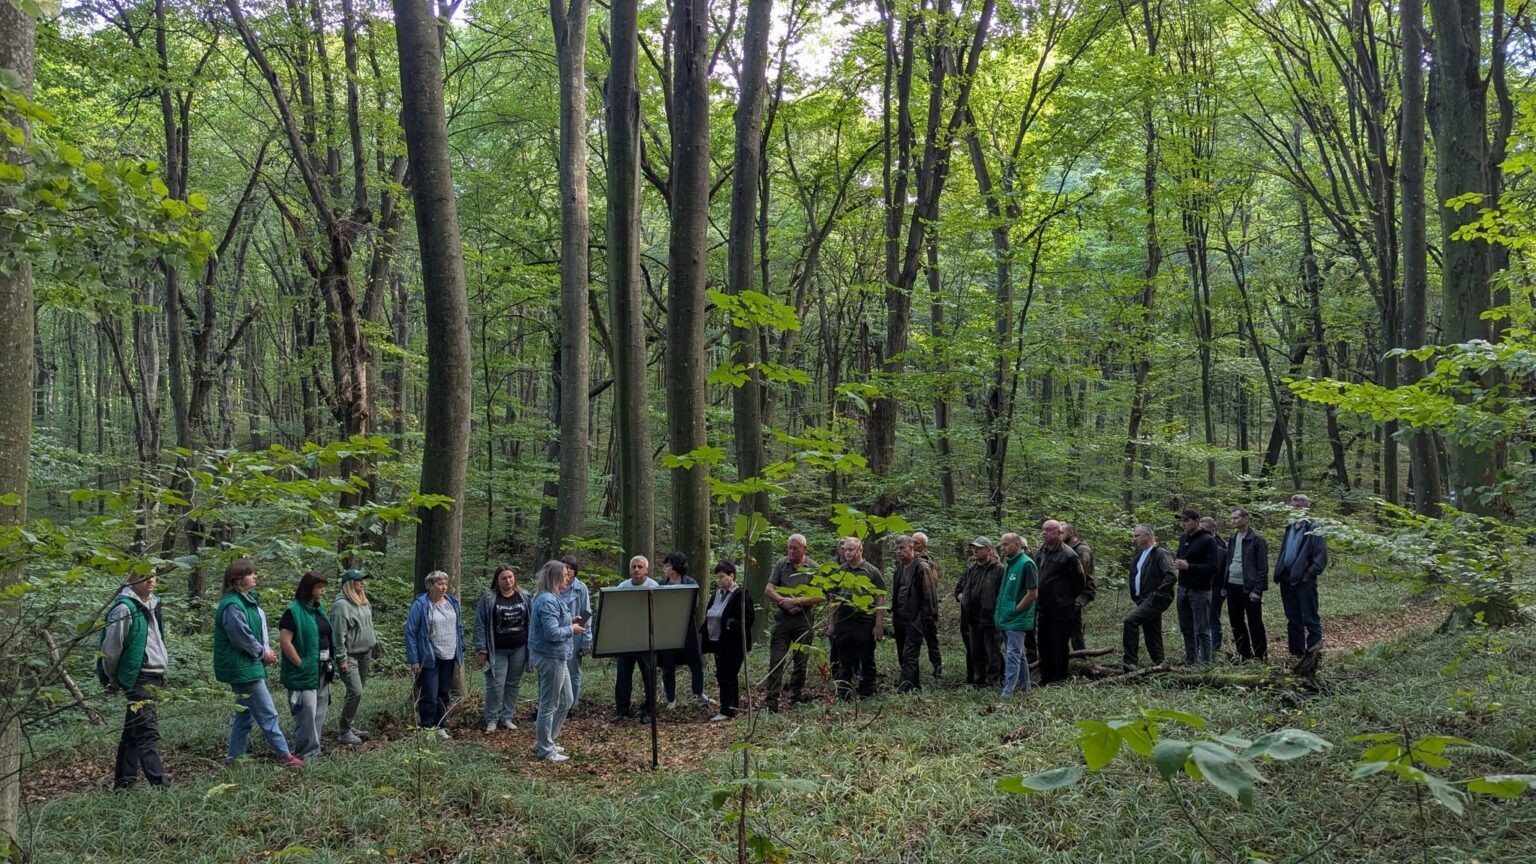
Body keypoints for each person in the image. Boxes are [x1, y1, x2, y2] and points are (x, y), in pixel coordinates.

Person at [213, 559, 302, 767]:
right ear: (237, 580)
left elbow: (256, 632)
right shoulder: (232, 606)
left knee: (245, 715)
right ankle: (285, 756)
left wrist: (264, 651)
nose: (255, 576)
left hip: (248, 665)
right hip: (242, 667)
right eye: (250, 573)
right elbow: (241, 636)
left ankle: (233, 760)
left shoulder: (248, 601)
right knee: (268, 712)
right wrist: (263, 653)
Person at [100, 568, 169, 789]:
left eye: (153, 575)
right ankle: (161, 787)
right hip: (139, 677)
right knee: (147, 732)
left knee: (133, 731)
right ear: (130, 578)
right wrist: (112, 677)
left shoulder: (153, 605)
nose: (150, 580)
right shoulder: (124, 609)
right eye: (144, 575)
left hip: (154, 674)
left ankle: (123, 784)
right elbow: (111, 649)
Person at [529, 559, 585, 762]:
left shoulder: (554, 597)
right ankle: (544, 749)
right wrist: (572, 629)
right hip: (550, 657)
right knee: (549, 704)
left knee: (567, 700)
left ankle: (549, 741)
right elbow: (552, 633)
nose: (567, 578)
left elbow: (555, 623)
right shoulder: (547, 600)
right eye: (564, 575)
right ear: (554, 578)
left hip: (560, 656)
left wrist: (570, 622)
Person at [279, 571, 333, 761]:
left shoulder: (319, 609)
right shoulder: (293, 611)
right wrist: (300, 664)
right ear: (308, 588)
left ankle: (314, 750)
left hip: (322, 668)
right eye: (319, 587)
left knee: (320, 709)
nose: (323, 591)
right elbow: (286, 642)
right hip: (303, 671)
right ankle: (304, 753)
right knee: (306, 711)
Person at [763, 534, 819, 712]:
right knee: (776, 659)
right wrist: (783, 601)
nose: (791, 551)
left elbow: (819, 595)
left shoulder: (813, 567)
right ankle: (771, 702)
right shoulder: (782, 564)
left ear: (804, 548)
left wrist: (797, 602)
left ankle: (795, 698)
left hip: (804, 619)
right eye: (789, 547)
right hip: (783, 620)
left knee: (800, 661)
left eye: (795, 548)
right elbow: (769, 589)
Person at [406, 571, 463, 737]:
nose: (443, 587)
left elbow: (458, 626)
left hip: (449, 654)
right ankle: (427, 727)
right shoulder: (421, 605)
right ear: (430, 586)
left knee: (444, 692)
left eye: (445, 583)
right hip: (429, 656)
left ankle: (441, 726)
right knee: (429, 693)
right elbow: (410, 631)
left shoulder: (452, 602)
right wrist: (414, 659)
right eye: (439, 584)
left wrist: (461, 646)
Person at [474, 564, 530, 733]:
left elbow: (532, 621)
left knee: (513, 684)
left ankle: (507, 717)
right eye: (504, 578)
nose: (508, 581)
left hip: (519, 648)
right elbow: (480, 625)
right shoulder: (489, 598)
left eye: (510, 577)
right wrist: (481, 649)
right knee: (495, 685)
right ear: (497, 581)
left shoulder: (524, 596)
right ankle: (491, 718)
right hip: (496, 649)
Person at [829, 537, 885, 700]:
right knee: (844, 659)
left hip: (865, 620)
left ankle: (867, 692)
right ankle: (843, 693)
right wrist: (831, 623)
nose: (847, 552)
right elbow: (832, 598)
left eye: (851, 549)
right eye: (845, 549)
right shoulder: (840, 572)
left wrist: (878, 624)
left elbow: (880, 598)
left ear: (860, 550)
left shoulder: (872, 571)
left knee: (866, 658)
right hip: (844, 620)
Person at [1034, 521, 1088, 684]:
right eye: (1043, 530)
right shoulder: (1041, 551)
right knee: (1043, 643)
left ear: (1059, 533)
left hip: (1062, 608)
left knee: (1059, 644)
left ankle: (1059, 679)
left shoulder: (1068, 554)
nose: (1045, 533)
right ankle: (1046, 676)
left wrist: (1064, 597)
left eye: (1049, 530)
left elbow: (1079, 581)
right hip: (1044, 607)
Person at [700, 560, 755, 720]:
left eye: (722, 577)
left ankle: (726, 711)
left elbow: (748, 619)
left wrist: (730, 624)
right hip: (718, 642)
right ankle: (731, 706)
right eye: (717, 577)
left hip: (734, 644)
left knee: (728, 675)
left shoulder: (741, 595)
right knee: (722, 674)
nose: (719, 580)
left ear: (731, 576)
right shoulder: (716, 594)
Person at [1274, 494, 1327, 657]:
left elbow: (1320, 557)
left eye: (1297, 506)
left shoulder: (1314, 528)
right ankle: (1296, 653)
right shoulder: (1290, 527)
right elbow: (1285, 551)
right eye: (1293, 505)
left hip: (1304, 580)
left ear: (1306, 508)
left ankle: (1313, 653)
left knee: (1310, 617)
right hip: (1286, 578)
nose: (1294, 508)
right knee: (1292, 617)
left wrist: (1308, 575)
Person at [657, 551, 711, 709]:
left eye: (667, 566)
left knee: (697, 663)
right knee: (668, 666)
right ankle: (671, 699)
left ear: (674, 567)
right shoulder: (662, 585)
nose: (664, 569)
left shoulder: (690, 583)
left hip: (688, 630)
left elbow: (693, 606)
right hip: (668, 631)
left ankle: (699, 694)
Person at [610, 555, 660, 723]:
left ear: (646, 569)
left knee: (649, 677)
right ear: (629, 569)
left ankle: (649, 711)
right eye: (634, 567)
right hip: (626, 640)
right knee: (623, 677)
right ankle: (622, 710)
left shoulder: (654, 587)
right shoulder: (622, 587)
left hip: (647, 640)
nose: (636, 569)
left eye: (640, 567)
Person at [330, 569, 376, 746]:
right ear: (349, 583)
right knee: (355, 691)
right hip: (350, 655)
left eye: (363, 580)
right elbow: (338, 635)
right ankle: (344, 731)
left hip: (366, 653)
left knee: (356, 692)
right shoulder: (341, 606)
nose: (362, 583)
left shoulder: (363, 601)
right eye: (358, 580)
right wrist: (341, 659)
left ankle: (349, 725)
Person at [1123, 524, 1176, 670]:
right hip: (1142, 598)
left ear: (1147, 536)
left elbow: (1171, 575)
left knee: (1130, 621)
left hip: (1154, 598)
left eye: (1137, 536)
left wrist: (1157, 594)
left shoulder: (1160, 552)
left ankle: (1130, 663)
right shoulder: (1139, 554)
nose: (1134, 539)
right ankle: (1159, 663)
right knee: (1152, 630)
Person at [889, 535, 936, 692]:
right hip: (900, 617)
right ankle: (914, 683)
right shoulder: (900, 567)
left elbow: (928, 597)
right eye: (896, 548)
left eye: (902, 548)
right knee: (903, 652)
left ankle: (905, 686)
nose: (898, 551)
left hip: (915, 618)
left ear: (912, 547)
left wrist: (924, 620)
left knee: (909, 654)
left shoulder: (921, 567)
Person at [994, 533, 1039, 699]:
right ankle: (1025, 687)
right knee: (1019, 655)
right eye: (1002, 545)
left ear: (1018, 544)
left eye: (1006, 544)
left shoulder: (1027, 564)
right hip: (1005, 618)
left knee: (1012, 654)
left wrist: (1016, 609)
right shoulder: (1010, 565)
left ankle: (1008, 692)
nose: (1004, 548)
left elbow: (1032, 593)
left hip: (1016, 619)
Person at [955, 537, 1004, 687]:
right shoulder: (971, 569)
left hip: (990, 619)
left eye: (979, 548)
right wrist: (962, 597)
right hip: (972, 619)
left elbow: (1004, 594)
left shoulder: (999, 569)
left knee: (993, 652)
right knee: (975, 652)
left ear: (989, 550)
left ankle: (994, 682)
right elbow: (958, 589)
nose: (975, 551)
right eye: (974, 548)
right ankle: (979, 682)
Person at [1173, 509, 1220, 666]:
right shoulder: (1183, 538)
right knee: (1186, 628)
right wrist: (1177, 563)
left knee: (1202, 629)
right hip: (1183, 588)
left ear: (1197, 521)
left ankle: (1206, 663)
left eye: (1187, 520)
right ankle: (1190, 660)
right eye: (1182, 521)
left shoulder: (1208, 540)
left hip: (1200, 590)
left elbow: (1213, 567)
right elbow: (1180, 556)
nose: (1184, 524)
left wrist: (1189, 567)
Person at [1224, 508, 1270, 661]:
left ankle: (1260, 655)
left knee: (1255, 622)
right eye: (1232, 518)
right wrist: (1225, 584)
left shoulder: (1257, 539)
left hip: (1249, 587)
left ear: (1246, 519)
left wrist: (1257, 590)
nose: (1233, 521)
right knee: (1236, 622)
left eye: (1236, 518)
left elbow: (1263, 567)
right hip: (1232, 586)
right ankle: (1244, 654)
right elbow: (1228, 561)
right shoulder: (1232, 537)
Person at [560, 556, 593, 705]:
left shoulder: (581, 588)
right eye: (565, 567)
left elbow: (586, 613)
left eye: (571, 568)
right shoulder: (555, 586)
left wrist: (586, 639)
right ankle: (559, 702)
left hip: (576, 634)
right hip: (558, 633)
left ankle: (572, 704)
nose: (568, 570)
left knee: (574, 672)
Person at [910, 532, 944, 678]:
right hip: (914, 609)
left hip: (927, 609)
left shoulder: (926, 564)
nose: (913, 545)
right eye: (911, 542)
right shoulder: (909, 562)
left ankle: (938, 668)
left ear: (923, 546)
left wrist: (928, 612)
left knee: (931, 639)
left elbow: (929, 589)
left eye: (916, 543)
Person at [1062, 523, 1097, 651]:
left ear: (1071, 533)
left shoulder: (1082, 550)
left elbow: (1081, 577)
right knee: (1074, 624)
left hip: (1083, 592)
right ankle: (1080, 654)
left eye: (1062, 532)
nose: (1060, 535)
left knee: (1067, 616)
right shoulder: (1066, 549)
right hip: (1071, 592)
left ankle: (1076, 654)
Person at [1201, 516, 1229, 656]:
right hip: (1202, 586)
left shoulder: (1220, 545)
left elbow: (1221, 568)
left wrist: (1224, 587)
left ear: (1212, 529)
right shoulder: (1202, 542)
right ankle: (1204, 647)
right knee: (1202, 618)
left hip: (1216, 587)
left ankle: (1214, 648)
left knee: (1213, 618)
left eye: (1204, 528)